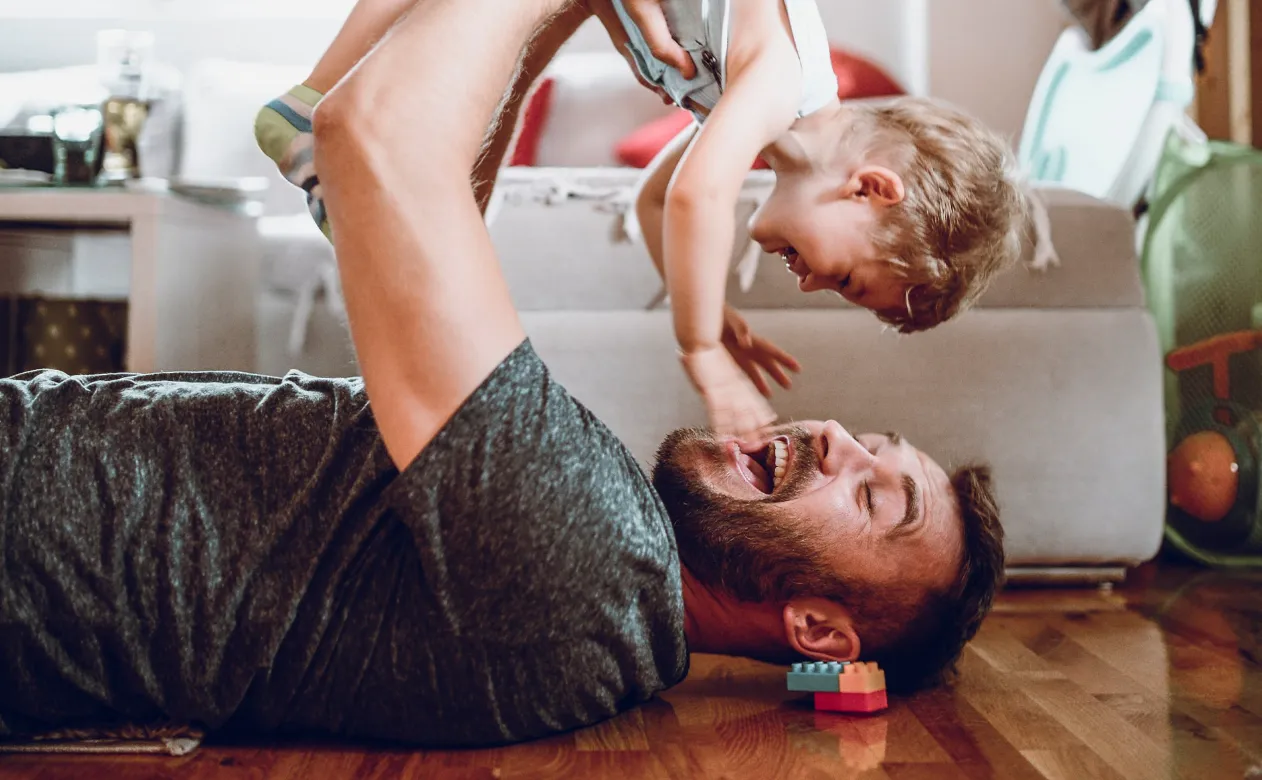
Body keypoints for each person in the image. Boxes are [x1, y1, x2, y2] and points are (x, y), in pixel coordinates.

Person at [0, 0, 1005, 749]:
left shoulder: (592, 563)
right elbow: (417, 226)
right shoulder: (596, 585)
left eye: (872, 495)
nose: (834, 437)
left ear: (818, 629)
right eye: (869, 442)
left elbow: (372, 138)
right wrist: (549, 29)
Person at [255, 0, 1030, 438]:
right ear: (871, 190)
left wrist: (708, 305)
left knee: (480, 156)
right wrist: (703, 352)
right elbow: (696, 197)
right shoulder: (784, 83)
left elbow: (654, 200)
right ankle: (325, 107)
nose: (811, 285)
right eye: (849, 280)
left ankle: (320, 106)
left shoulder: (764, 124)